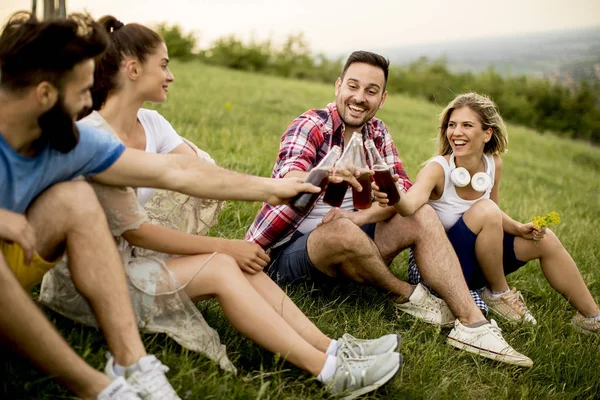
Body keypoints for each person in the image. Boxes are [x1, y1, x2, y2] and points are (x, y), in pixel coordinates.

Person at [38, 16, 402, 399]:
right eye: (163, 64)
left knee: (236, 261)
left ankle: (331, 347)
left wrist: (302, 179)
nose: (171, 75)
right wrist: (226, 245)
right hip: (92, 284)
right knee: (224, 266)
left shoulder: (151, 123)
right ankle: (328, 372)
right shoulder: (94, 138)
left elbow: (201, 173)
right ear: (132, 69)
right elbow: (137, 231)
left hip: (132, 261)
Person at [0, 11, 320, 400]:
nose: (90, 100)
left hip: (22, 256)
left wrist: (272, 188)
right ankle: (96, 388)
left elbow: (175, 172)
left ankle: (131, 364)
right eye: (83, 91)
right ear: (46, 95)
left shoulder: (72, 141)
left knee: (74, 198)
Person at [246, 50, 533, 367]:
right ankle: (407, 294)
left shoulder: (378, 132)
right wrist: (327, 172)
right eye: (353, 86)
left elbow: (406, 194)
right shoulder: (311, 125)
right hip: (292, 255)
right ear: (338, 86)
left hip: (355, 240)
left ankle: (473, 326)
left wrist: (363, 213)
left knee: (419, 213)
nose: (359, 98)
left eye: (371, 91)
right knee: (341, 231)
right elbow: (291, 177)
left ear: (382, 98)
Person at [373, 92, 600, 334]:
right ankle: (498, 293)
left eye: (467, 125)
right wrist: (393, 194)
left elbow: (495, 213)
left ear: (487, 133)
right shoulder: (437, 168)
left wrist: (517, 228)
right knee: (485, 210)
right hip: (440, 268)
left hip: (477, 261)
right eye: (452, 125)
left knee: (544, 239)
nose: (456, 132)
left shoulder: (493, 163)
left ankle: (591, 318)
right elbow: (409, 206)